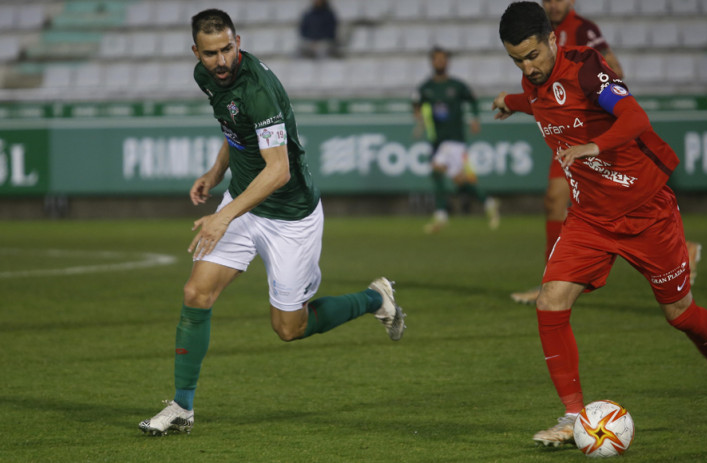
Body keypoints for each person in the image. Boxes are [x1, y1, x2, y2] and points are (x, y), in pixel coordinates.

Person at [138, 9, 406, 436]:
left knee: (288, 328)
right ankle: (182, 408)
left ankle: (375, 299)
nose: (221, 60)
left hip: (289, 216)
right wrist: (215, 173)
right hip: (244, 202)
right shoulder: (206, 77)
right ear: (197, 53)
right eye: (211, 53)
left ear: (238, 41)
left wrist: (223, 217)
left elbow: (278, 170)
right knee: (196, 293)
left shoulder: (257, 89)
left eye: (228, 49)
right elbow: (234, 129)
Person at [492, 1, 707, 447]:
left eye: (533, 55)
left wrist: (593, 147)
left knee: (680, 314)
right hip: (592, 218)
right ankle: (572, 416)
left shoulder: (587, 69)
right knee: (550, 302)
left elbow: (636, 118)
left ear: (553, 40)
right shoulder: (533, 80)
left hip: (646, 211)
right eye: (517, 60)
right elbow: (543, 100)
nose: (528, 66)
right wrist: (511, 101)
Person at [509, 0, 701, 304]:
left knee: (583, 202)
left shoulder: (583, 31)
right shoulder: (534, 40)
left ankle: (679, 250)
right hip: (566, 137)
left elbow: (615, 72)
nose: (554, 5)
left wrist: (595, 96)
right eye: (548, 0)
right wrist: (511, 100)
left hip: (591, 136)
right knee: (554, 201)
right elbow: (543, 94)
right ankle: (551, 281)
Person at [412, 46, 500, 234]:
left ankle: (442, 214)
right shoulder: (426, 87)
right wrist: (419, 119)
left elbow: (473, 100)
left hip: (454, 139)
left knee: (436, 169)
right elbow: (416, 104)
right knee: (459, 180)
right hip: (437, 140)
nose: (440, 62)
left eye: (443, 59)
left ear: (447, 62)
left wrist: (475, 118)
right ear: (432, 62)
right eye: (437, 59)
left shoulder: (457, 86)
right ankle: (488, 202)